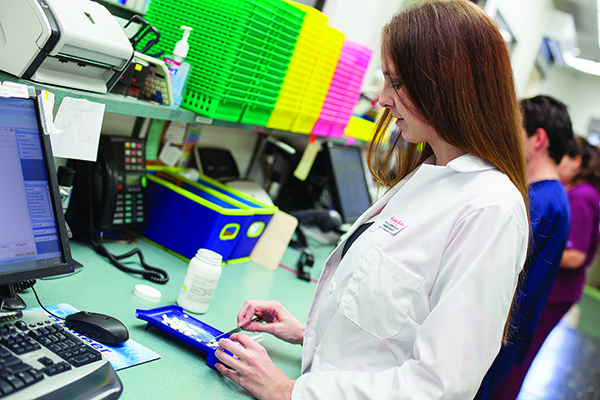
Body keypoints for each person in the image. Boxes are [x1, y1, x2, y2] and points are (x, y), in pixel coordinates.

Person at [214, 1, 530, 398]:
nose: (382, 98)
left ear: (448, 84)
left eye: (396, 83)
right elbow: (392, 327)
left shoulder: (489, 209)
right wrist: (306, 332)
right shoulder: (431, 172)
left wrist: (289, 391)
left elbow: (439, 386)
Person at [475, 95, 572, 400]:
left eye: (516, 127)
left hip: (492, 341)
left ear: (538, 138)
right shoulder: (552, 197)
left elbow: (501, 276)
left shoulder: (540, 203)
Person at [489, 136, 600, 400]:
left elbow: (575, 255)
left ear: (576, 161)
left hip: (557, 291)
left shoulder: (582, 197)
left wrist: (533, 246)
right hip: (553, 287)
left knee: (517, 360)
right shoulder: (571, 191)